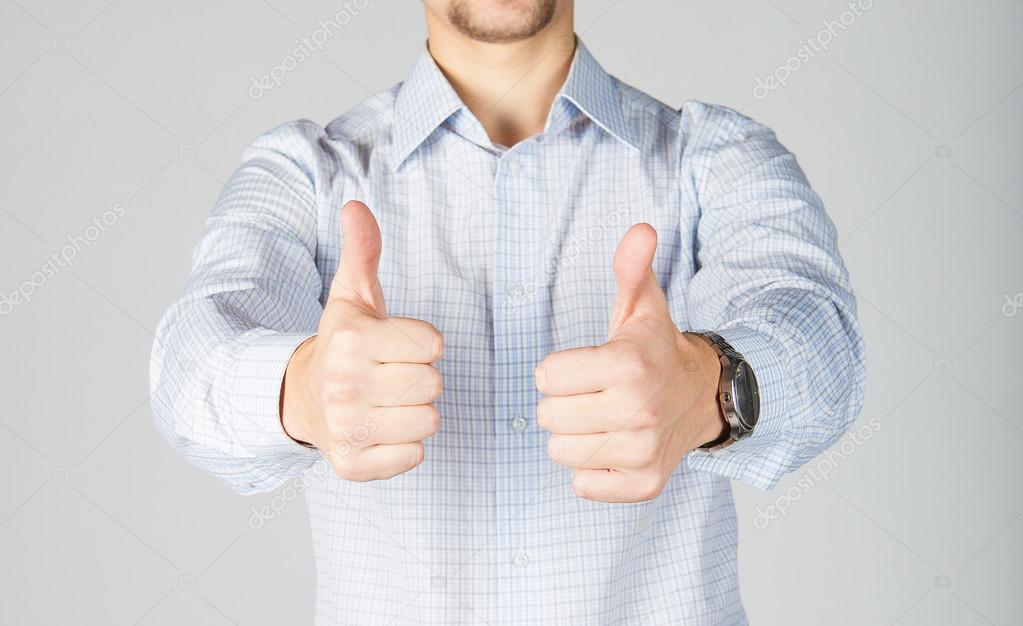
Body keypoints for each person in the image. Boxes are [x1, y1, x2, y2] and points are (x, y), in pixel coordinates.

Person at [150, 1, 865, 623]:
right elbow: (189, 364)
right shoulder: (306, 173)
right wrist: (301, 390)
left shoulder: (714, 158)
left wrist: (708, 384)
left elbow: (822, 339)